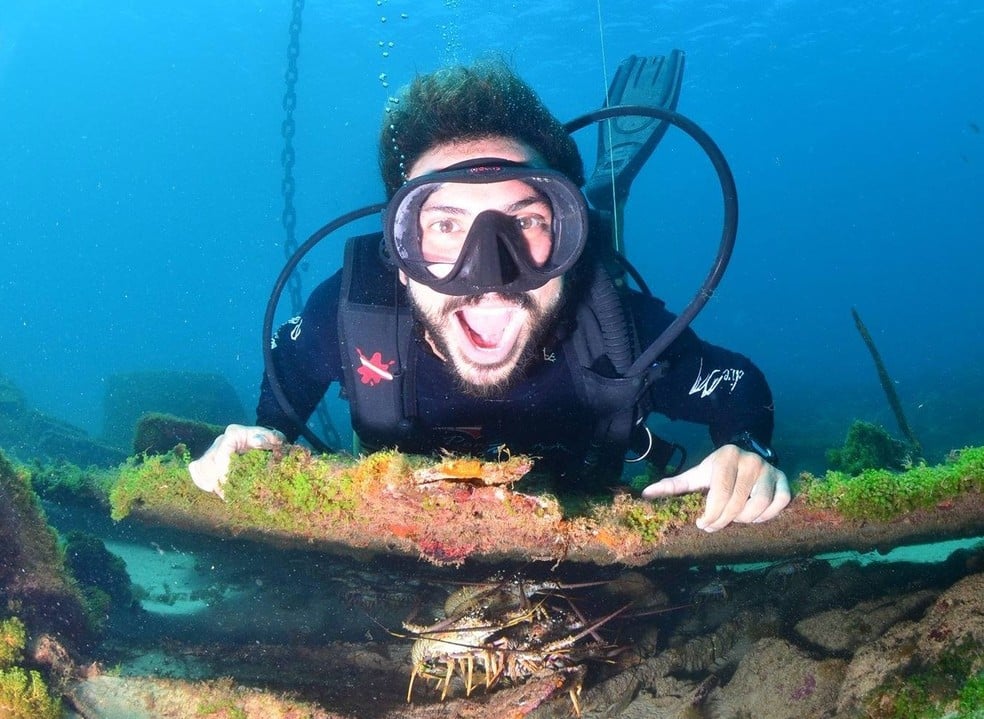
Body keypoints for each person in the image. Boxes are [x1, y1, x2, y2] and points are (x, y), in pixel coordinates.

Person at [189, 60, 791, 532]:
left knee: (600, 213)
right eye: (446, 225)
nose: (489, 273)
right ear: (398, 253)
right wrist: (265, 434)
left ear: (566, 241)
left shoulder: (615, 330)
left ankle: (598, 196)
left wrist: (745, 448)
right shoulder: (350, 315)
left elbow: (736, 384)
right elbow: (287, 367)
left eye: (527, 220)